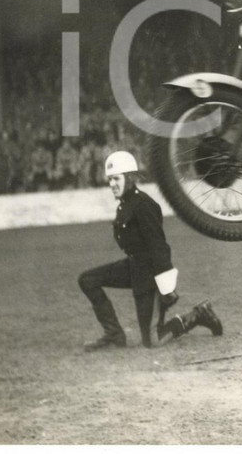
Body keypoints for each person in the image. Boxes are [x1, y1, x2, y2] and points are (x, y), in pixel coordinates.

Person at [78, 150, 223, 351]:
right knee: (87, 280)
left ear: (129, 178)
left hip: (150, 276)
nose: (112, 184)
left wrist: (166, 287)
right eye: (110, 180)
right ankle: (114, 334)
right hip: (134, 267)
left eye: (116, 179)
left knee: (153, 341)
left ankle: (199, 315)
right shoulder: (125, 205)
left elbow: (159, 246)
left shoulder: (143, 205)